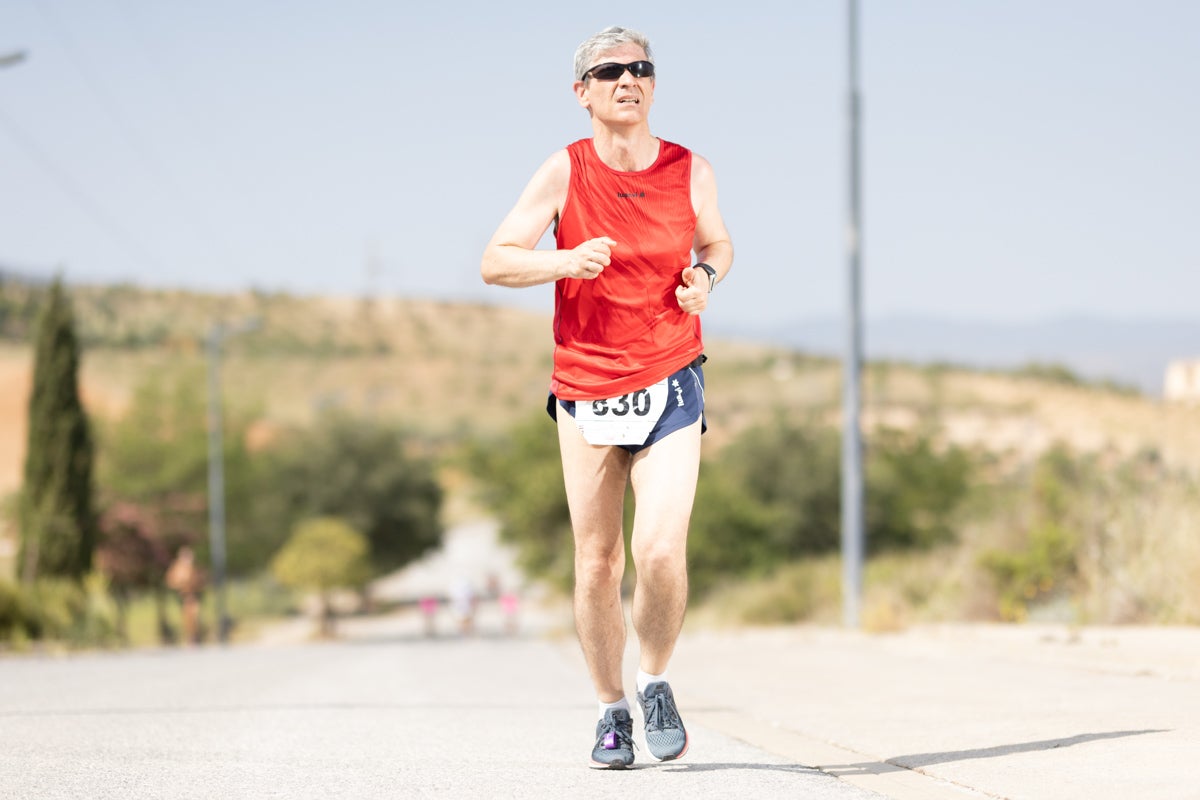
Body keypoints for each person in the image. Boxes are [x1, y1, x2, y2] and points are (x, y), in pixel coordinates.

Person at [481, 25, 733, 769]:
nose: (628, 79)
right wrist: (564, 260)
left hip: (671, 374)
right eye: (610, 71)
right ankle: (610, 709)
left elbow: (717, 244)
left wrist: (704, 278)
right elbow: (496, 261)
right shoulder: (565, 169)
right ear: (582, 91)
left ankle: (654, 681)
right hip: (587, 384)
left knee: (659, 549)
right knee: (597, 562)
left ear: (653, 84)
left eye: (641, 68)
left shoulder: (690, 169)